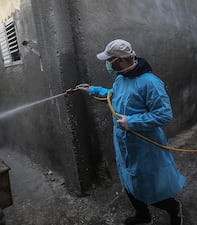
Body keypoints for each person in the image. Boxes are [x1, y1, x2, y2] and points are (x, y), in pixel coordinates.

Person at [76, 39, 185, 225]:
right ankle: (143, 216)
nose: (107, 64)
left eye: (108, 60)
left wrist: (132, 121)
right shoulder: (121, 78)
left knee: (149, 186)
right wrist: (92, 90)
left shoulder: (150, 83)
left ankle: (174, 208)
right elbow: (113, 95)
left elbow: (164, 115)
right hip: (124, 143)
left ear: (119, 60)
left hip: (144, 145)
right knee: (128, 181)